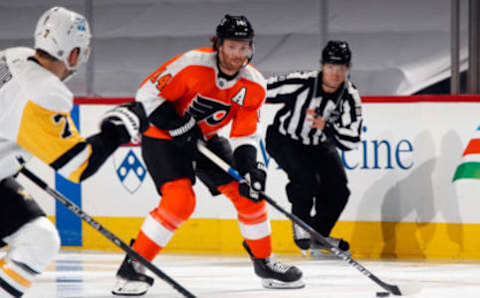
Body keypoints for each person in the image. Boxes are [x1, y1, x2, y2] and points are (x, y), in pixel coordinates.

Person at [111, 14, 304, 296]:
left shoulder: (253, 85)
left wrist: (252, 167)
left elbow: (245, 134)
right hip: (162, 135)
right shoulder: (192, 64)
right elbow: (147, 94)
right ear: (219, 45)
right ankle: (135, 265)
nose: (239, 55)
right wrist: (179, 126)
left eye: (244, 47)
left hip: (205, 139)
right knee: (180, 202)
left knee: (249, 192)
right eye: (232, 47)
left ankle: (264, 263)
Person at [0, 7, 148, 297]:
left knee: (38, 237)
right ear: (73, 54)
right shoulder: (43, 93)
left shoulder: (11, 55)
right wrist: (118, 129)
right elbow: (79, 166)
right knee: (38, 240)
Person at [264, 40, 363, 258]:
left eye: (340, 68)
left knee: (339, 191)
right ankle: (301, 226)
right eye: (330, 67)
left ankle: (318, 237)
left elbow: (353, 139)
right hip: (284, 139)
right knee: (305, 180)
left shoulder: (349, 95)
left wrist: (326, 127)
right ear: (322, 66)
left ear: (347, 69)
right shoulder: (301, 82)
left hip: (319, 143)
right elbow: (260, 89)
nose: (335, 74)